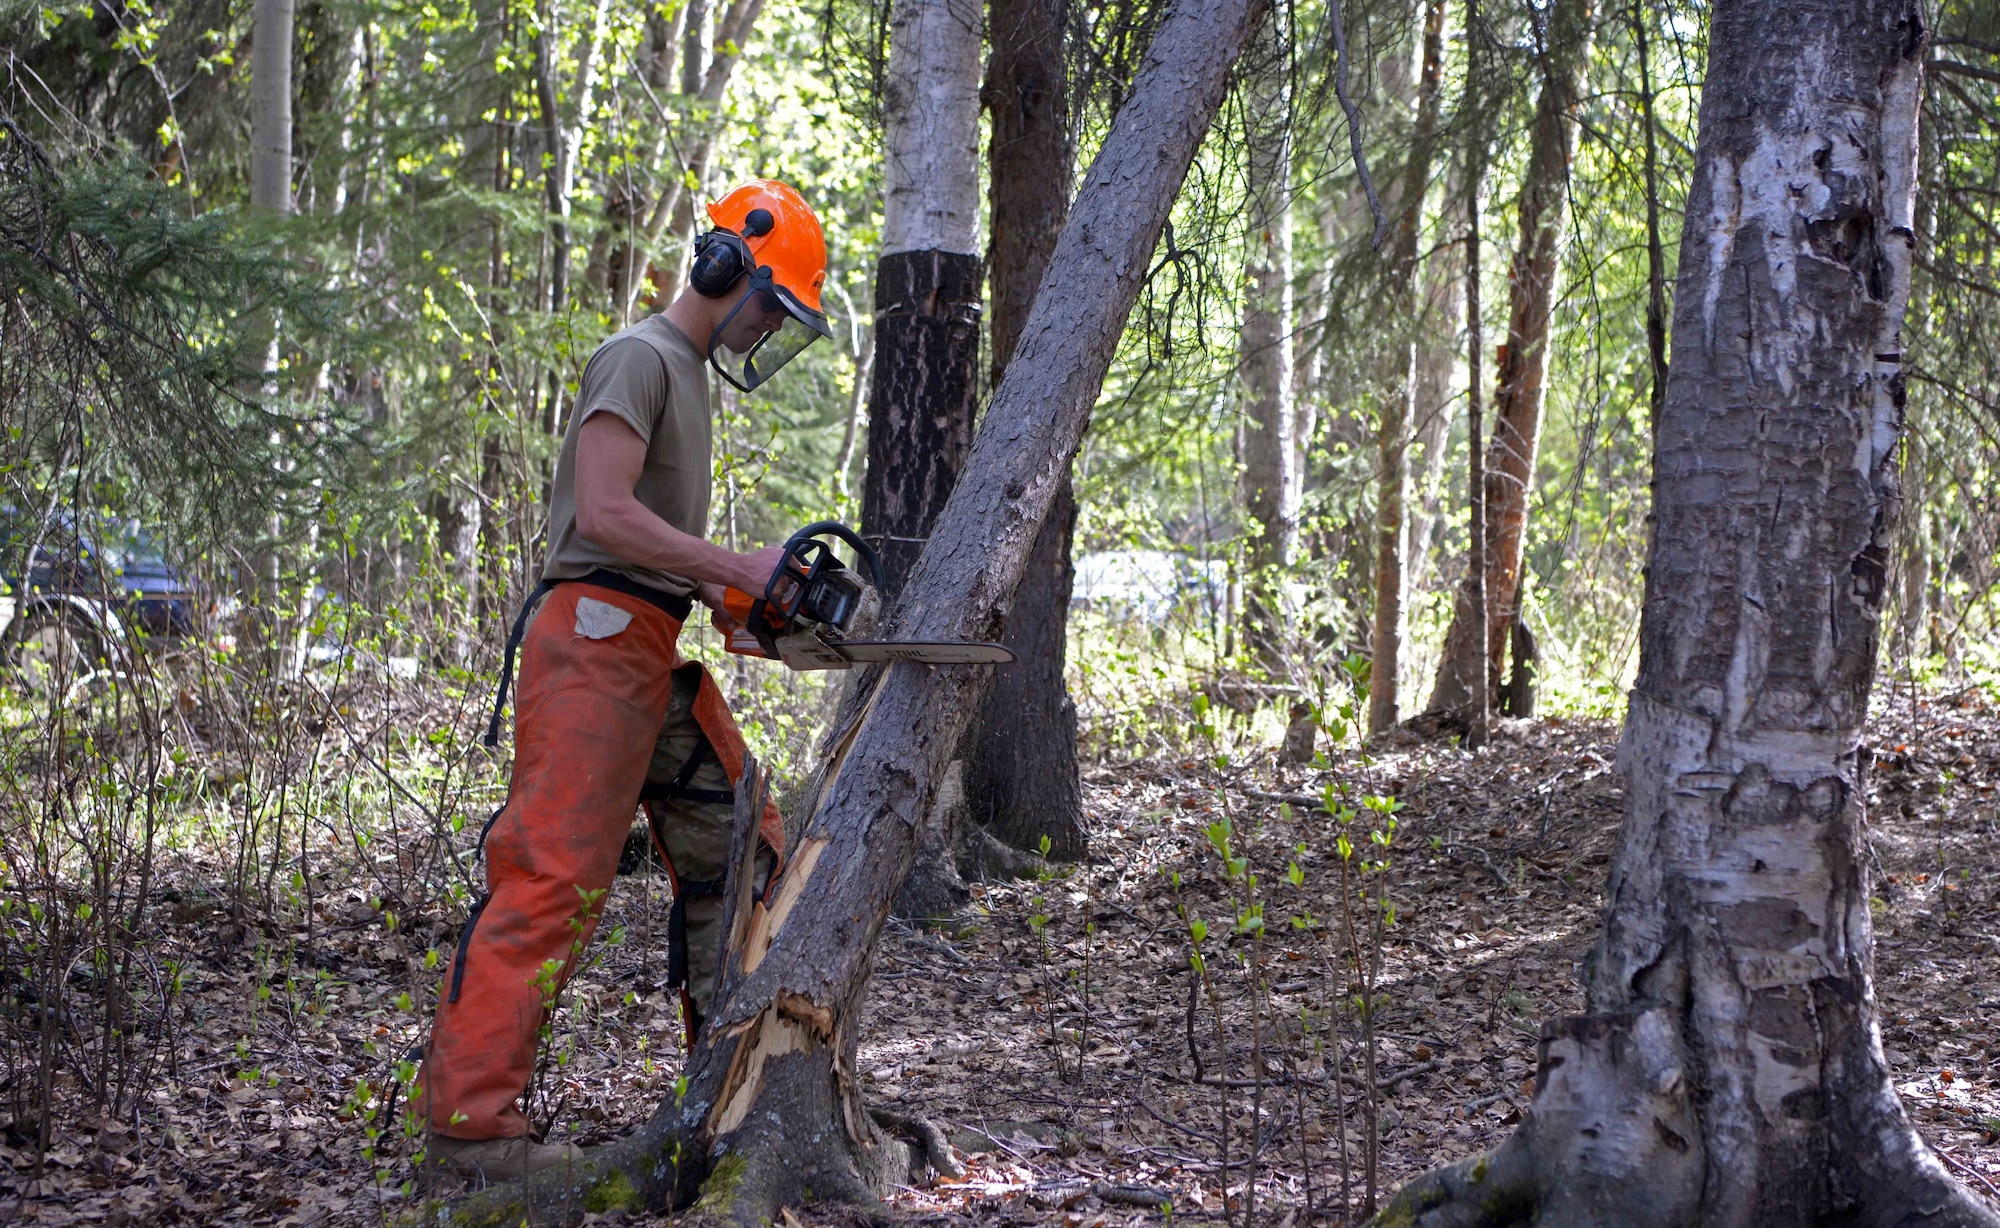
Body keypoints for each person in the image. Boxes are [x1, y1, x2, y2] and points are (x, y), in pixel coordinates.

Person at [413, 179, 834, 1186]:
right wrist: (733, 565)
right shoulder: (640, 356)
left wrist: (755, 607)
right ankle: (469, 1134)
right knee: (552, 873)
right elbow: (601, 516)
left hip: (646, 645)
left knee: (739, 839)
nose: (769, 324)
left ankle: (725, 1082)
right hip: (593, 640)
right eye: (771, 302)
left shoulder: (685, 375)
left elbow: (665, 556)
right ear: (726, 263)